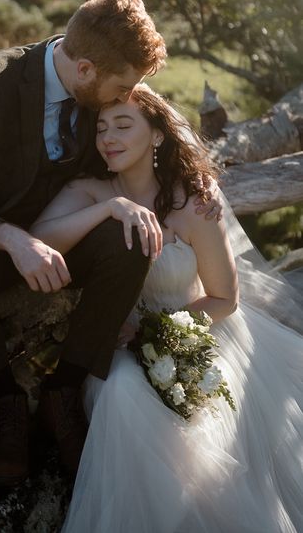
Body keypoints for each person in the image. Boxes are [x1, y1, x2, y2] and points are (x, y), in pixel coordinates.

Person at [0, 0, 221, 487]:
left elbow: (150, 126)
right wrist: (10, 237)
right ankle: (5, 403)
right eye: (121, 87)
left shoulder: (98, 89)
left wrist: (195, 182)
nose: (125, 98)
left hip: (68, 239)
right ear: (85, 70)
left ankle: (64, 392)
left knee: (133, 232)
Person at [30, 84, 303, 533]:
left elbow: (224, 298)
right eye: (101, 128)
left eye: (123, 125)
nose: (109, 138)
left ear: (157, 135)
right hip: (117, 346)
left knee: (202, 426)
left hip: (199, 330)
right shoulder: (91, 190)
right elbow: (41, 236)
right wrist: (108, 210)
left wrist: (158, 334)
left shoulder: (193, 201)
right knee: (121, 394)